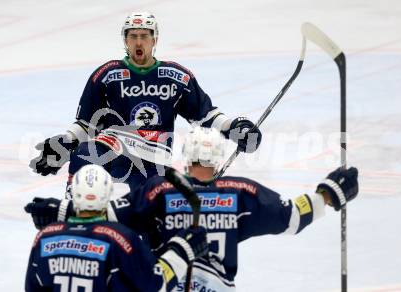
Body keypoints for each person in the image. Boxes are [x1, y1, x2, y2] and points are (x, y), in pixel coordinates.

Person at [26, 127, 359, 291]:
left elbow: (108, 214)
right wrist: (329, 193)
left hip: (168, 283)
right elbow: (293, 216)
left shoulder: (160, 189)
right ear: (216, 162)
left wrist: (59, 211)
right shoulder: (241, 192)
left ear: (186, 158)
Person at [29, 11, 262, 193]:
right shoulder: (107, 75)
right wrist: (65, 141)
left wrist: (234, 127)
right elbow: (85, 125)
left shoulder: (176, 76)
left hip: (154, 159)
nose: (138, 42)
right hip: (114, 150)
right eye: (133, 36)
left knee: (153, 214)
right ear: (125, 40)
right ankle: (74, 214)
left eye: (144, 36)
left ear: (154, 40)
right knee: (83, 154)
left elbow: (205, 115)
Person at [25, 164, 209, 292]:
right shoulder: (121, 238)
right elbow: (154, 284)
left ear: (74, 193)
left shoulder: (44, 238)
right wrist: (181, 251)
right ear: (108, 194)